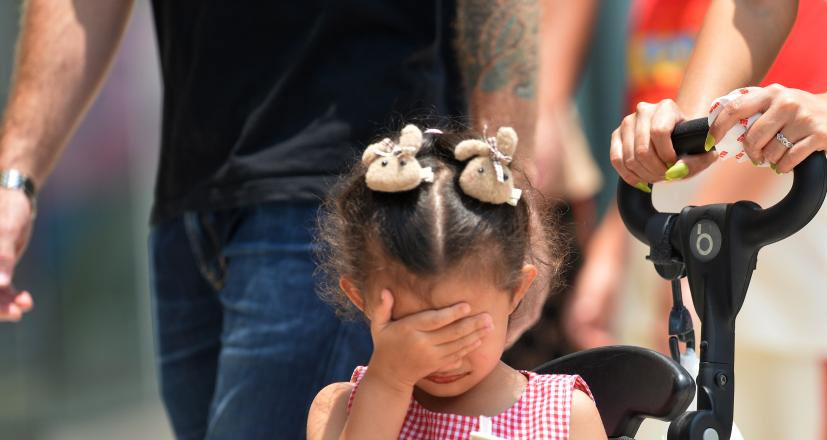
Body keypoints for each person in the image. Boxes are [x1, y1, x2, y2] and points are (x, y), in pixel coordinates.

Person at [0, 1, 572, 439]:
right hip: (189, 199)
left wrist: (507, 194)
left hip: (371, 208)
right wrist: (15, 177)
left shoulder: (565, 412)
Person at [306, 125, 606, 440]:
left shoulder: (564, 414)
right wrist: (388, 382)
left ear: (516, 290)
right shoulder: (340, 409)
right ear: (360, 297)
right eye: (417, 327)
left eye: (464, 326)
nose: (445, 357)